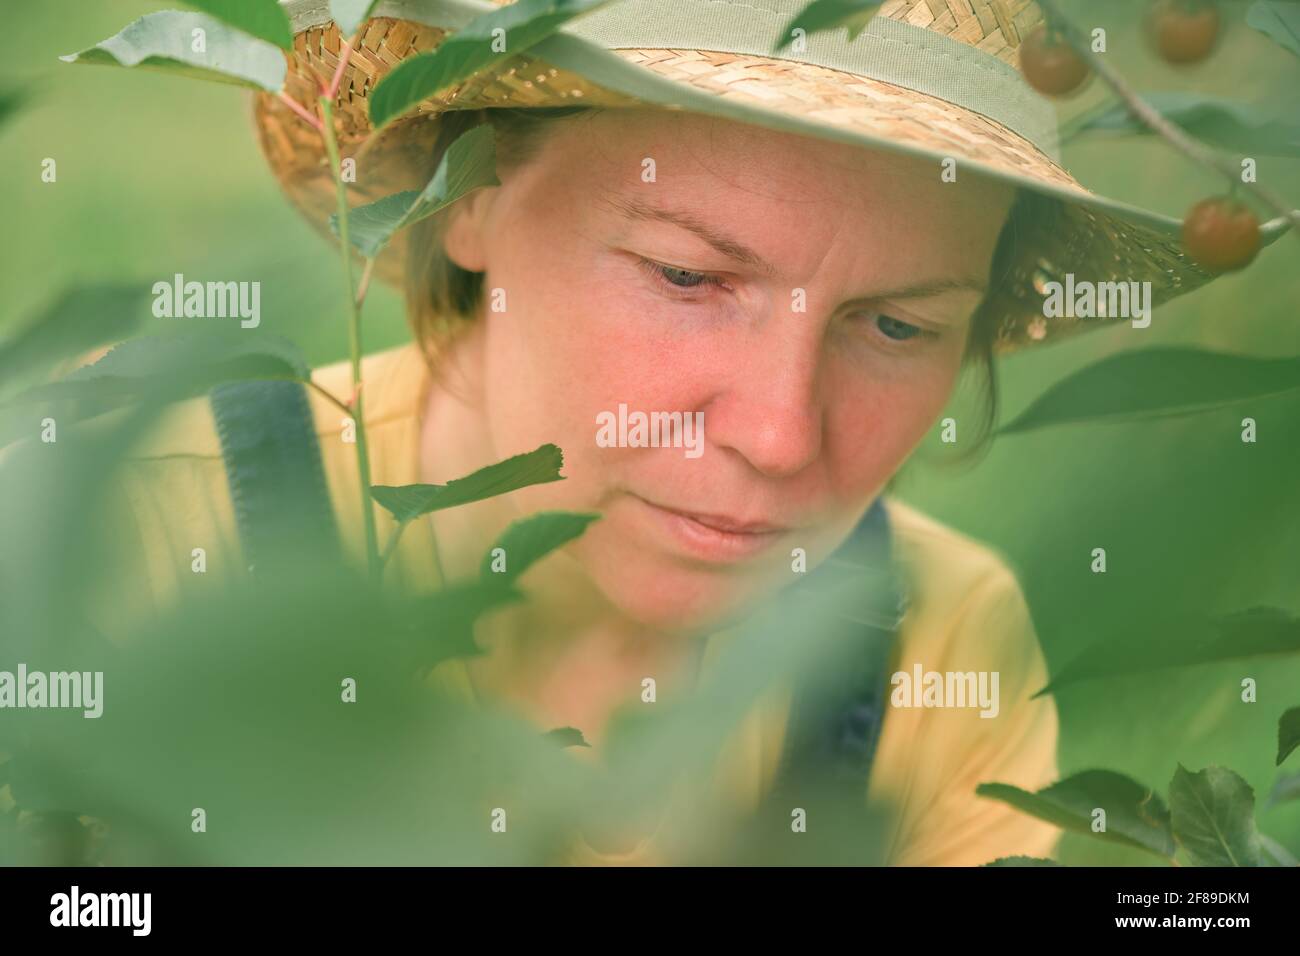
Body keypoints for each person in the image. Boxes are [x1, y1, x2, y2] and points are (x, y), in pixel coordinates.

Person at [33, 0, 1251, 865]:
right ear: (465, 199)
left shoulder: (929, 648)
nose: (779, 435)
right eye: (684, 275)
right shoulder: (114, 526)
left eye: (892, 325)